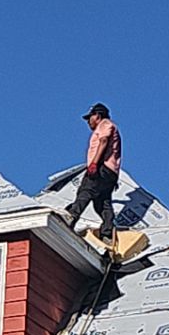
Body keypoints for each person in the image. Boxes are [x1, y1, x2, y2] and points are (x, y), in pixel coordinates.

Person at [64, 103, 122, 241]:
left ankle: (71, 216)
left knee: (86, 191)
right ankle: (107, 232)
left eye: (90, 118)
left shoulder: (105, 123)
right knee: (102, 202)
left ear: (97, 115)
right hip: (111, 173)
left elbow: (104, 141)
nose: (88, 121)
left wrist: (94, 163)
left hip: (101, 167)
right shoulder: (109, 126)